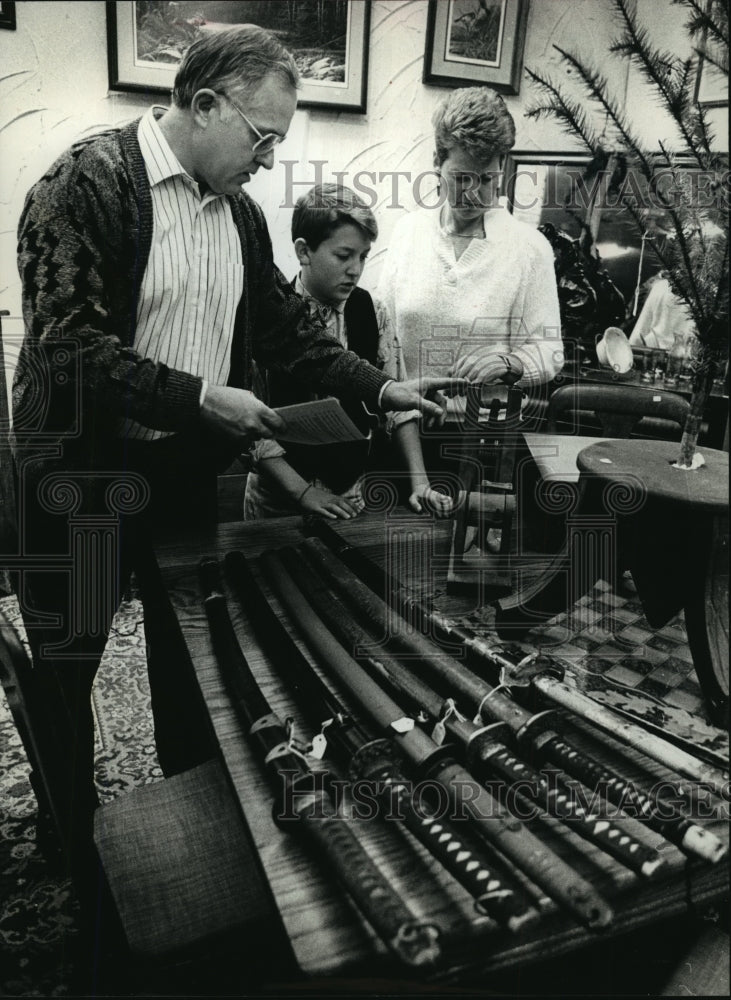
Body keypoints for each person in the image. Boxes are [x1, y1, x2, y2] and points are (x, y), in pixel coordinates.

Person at [11, 25, 459, 896]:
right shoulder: (83, 184)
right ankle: (70, 852)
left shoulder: (243, 216)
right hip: (82, 479)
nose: (268, 157)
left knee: (196, 664)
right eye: (263, 137)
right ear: (204, 102)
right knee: (68, 666)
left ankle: (202, 837)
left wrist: (380, 389)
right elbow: (65, 344)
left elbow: (292, 337)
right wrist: (197, 397)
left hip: (181, 475)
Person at [377, 86, 564, 476]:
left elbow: (550, 353)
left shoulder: (529, 249)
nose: (473, 193)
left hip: (478, 444)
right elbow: (383, 334)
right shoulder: (409, 232)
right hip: (399, 430)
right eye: (460, 177)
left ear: (502, 171)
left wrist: (510, 363)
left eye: (486, 180)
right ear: (437, 162)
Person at [244, 183, 453, 521]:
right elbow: (249, 427)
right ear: (303, 251)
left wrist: (420, 483)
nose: (355, 269)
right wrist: (302, 492)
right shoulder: (268, 314)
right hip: (275, 499)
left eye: (363, 256)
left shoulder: (374, 311)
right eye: (343, 256)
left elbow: (398, 409)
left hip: (348, 495)